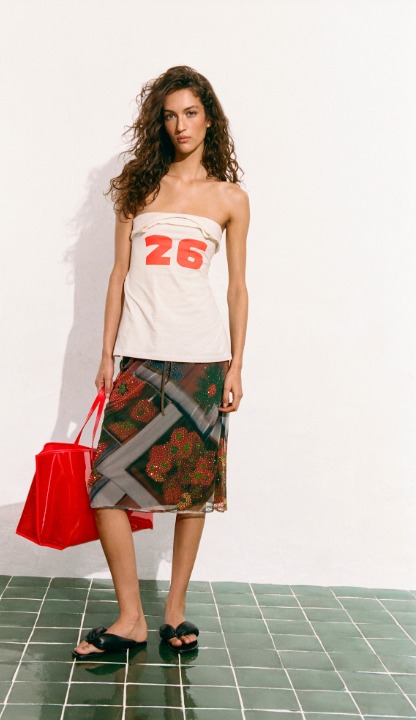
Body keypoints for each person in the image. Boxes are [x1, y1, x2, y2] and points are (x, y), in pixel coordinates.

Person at [72, 65, 249, 658]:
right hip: (141, 359)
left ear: (209, 119)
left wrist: (237, 365)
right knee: (106, 485)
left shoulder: (230, 199)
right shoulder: (137, 188)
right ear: (160, 122)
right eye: (170, 115)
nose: (181, 125)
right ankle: (131, 619)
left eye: (191, 113)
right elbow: (118, 276)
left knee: (192, 492)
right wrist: (106, 354)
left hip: (202, 360)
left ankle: (174, 609)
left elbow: (237, 289)